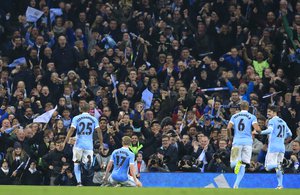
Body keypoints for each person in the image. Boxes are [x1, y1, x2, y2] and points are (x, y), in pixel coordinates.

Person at [63, 101, 103, 186]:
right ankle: (86, 164)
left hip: (78, 144)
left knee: (76, 163)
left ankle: (79, 182)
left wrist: (65, 141)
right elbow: (99, 131)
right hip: (89, 145)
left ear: (81, 109)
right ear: (89, 110)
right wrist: (101, 144)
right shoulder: (94, 119)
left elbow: (72, 130)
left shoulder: (76, 118)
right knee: (88, 166)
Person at [254, 105, 292, 189]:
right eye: (267, 112)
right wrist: (282, 138)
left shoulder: (272, 121)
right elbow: (290, 134)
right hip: (281, 147)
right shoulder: (283, 121)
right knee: (278, 167)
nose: (268, 113)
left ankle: (283, 164)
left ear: (275, 112)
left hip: (273, 147)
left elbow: (270, 130)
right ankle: (280, 185)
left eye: (269, 112)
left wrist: (260, 132)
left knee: (268, 167)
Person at [227, 101, 260, 188]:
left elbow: (228, 127)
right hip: (248, 143)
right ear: (248, 107)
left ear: (240, 107)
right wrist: (259, 131)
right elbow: (257, 128)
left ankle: (237, 162)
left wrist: (230, 137)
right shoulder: (252, 116)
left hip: (237, 142)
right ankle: (236, 185)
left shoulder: (234, 116)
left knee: (232, 164)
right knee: (244, 164)